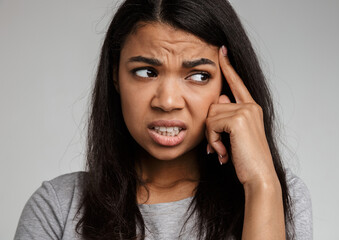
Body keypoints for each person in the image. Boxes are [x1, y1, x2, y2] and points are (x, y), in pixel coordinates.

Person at [14, 0, 312, 239]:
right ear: (115, 76)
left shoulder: (275, 194)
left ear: (226, 86)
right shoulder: (56, 207)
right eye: (146, 71)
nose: (168, 101)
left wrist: (260, 183)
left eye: (198, 76)